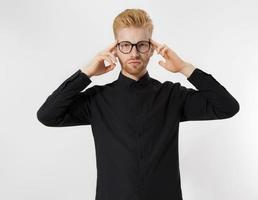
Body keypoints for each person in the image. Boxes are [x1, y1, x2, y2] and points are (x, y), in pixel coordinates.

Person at [36, 8, 239, 200]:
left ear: (151, 49)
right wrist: (86, 73)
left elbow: (227, 107)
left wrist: (185, 68)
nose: (134, 53)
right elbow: (48, 115)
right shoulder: (97, 99)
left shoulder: (172, 95)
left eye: (141, 45)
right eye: (126, 45)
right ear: (115, 49)